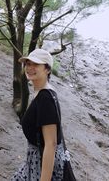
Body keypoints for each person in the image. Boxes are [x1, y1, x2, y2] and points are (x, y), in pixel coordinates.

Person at [11, 48, 63, 181]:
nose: (30, 68)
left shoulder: (45, 98)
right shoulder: (43, 92)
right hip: (34, 160)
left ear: (47, 69)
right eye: (28, 64)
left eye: (36, 64)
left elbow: (51, 143)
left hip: (41, 165)